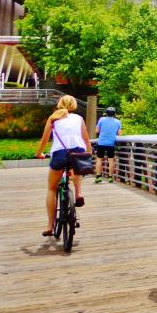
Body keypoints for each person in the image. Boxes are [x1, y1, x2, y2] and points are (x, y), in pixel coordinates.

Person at [35, 95, 92, 237]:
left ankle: (49, 225)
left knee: (51, 188)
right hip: (77, 152)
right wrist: (88, 154)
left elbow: (44, 139)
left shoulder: (53, 118)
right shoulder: (79, 119)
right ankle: (78, 193)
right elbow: (86, 140)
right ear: (74, 105)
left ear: (59, 104)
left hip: (60, 153)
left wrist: (39, 153)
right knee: (76, 168)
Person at [94, 107, 121, 183]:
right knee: (111, 160)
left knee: (99, 159)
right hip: (111, 143)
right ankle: (110, 177)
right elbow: (119, 134)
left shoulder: (101, 119)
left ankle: (98, 176)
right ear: (114, 114)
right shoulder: (118, 122)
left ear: (106, 113)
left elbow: (97, 131)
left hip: (101, 142)